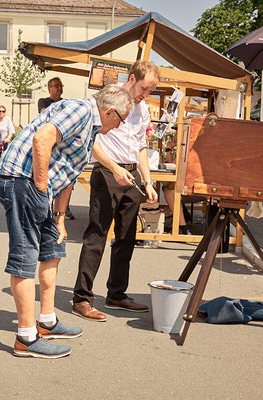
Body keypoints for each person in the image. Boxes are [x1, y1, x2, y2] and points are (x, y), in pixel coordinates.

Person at [0, 84, 133, 358]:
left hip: (37, 186)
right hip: (23, 181)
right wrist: (41, 187)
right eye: (121, 120)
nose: (119, 127)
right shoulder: (81, 110)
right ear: (110, 111)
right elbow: (42, 139)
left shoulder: (91, 128)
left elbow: (69, 171)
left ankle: (46, 321)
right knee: (24, 257)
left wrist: (59, 216)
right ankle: (25, 338)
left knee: (52, 251)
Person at [72, 60, 160, 322]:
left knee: (127, 237)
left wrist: (148, 181)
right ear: (131, 79)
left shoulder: (142, 108)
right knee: (96, 236)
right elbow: (91, 141)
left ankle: (117, 294)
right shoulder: (106, 100)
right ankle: (82, 298)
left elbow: (141, 146)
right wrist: (112, 166)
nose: (145, 95)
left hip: (131, 175)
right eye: (144, 88)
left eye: (149, 91)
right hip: (108, 172)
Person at [38, 77, 77, 219]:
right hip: (49, 146)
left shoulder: (65, 103)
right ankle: (47, 207)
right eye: (56, 86)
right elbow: (46, 115)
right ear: (50, 88)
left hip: (63, 146)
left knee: (68, 179)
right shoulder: (44, 101)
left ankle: (65, 207)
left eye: (61, 86)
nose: (59, 88)